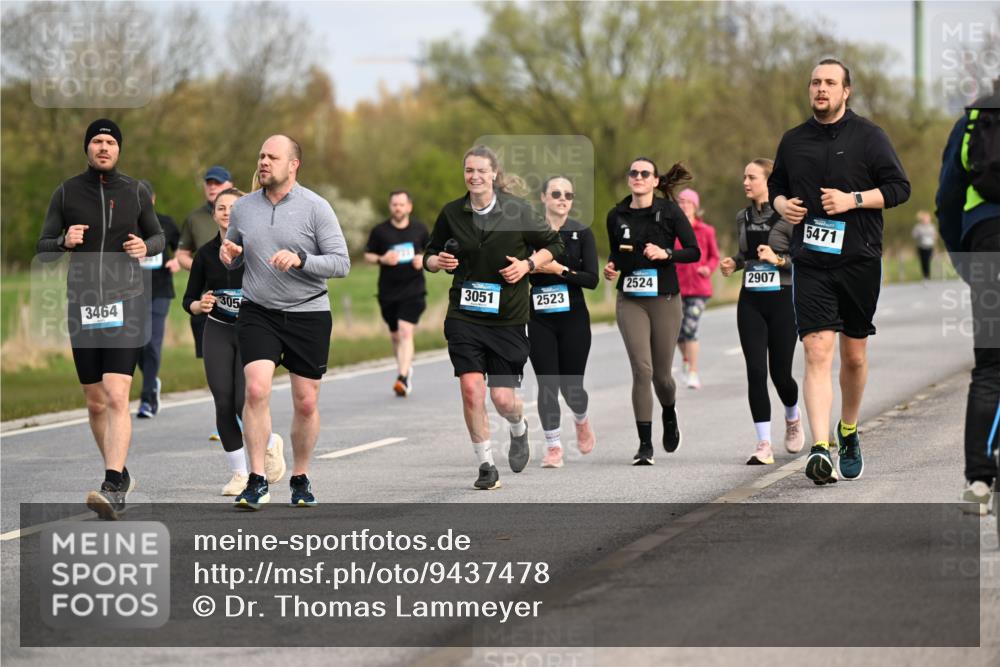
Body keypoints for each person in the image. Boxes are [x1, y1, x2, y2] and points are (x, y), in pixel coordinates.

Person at [768, 58, 910, 484]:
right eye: (815, 82)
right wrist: (781, 206)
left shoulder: (869, 137)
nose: (821, 89)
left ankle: (848, 431)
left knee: (853, 355)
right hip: (811, 260)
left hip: (859, 259)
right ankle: (820, 448)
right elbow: (777, 186)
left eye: (830, 82)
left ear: (846, 91)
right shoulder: (793, 141)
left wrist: (855, 200)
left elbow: (899, 188)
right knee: (815, 351)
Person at [36, 118, 165, 519]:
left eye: (110, 141)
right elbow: (42, 247)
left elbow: (158, 237)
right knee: (94, 403)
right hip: (84, 304)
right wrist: (63, 241)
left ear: (119, 149)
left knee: (116, 395)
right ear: (87, 148)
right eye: (97, 141)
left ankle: (111, 483)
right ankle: (121, 473)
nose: (104, 147)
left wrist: (146, 245)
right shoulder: (66, 192)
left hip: (126, 302)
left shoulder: (136, 192)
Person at [221, 135, 350, 509]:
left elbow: (341, 263)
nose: (263, 162)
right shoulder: (243, 208)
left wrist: (302, 259)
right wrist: (230, 256)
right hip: (259, 311)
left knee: (306, 402)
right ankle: (257, 477)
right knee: (256, 390)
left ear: (293, 165)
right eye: (261, 155)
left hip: (308, 312)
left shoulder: (316, 208)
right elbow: (234, 255)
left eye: (272, 157)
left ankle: (300, 476)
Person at [424, 145, 563, 490]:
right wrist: (437, 262)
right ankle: (485, 464)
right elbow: (429, 253)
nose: (474, 176)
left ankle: (518, 426)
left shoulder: (517, 210)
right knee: (472, 389)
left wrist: (528, 264)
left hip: (508, 318)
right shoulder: (452, 212)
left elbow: (554, 245)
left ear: (494, 175)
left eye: (481, 171)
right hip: (464, 315)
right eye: (469, 170)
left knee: (502, 399)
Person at [183, 187, 285, 495]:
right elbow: (189, 298)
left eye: (234, 206)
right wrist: (198, 306)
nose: (227, 211)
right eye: (221, 207)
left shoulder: (259, 248)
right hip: (217, 329)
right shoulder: (204, 255)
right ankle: (240, 473)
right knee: (223, 400)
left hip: (254, 331)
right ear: (213, 214)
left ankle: (268, 443)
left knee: (245, 401)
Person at [603, 158, 700, 465]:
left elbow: (693, 250)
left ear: (656, 181)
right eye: (633, 172)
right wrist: (611, 267)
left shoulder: (669, 212)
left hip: (665, 299)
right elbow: (617, 254)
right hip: (630, 299)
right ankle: (645, 444)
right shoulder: (616, 215)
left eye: (645, 173)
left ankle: (669, 413)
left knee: (662, 376)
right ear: (628, 178)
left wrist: (666, 252)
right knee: (641, 370)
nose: (639, 177)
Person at [936, 79, 1000, 515]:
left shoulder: (974, 118)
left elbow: (947, 197)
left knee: (991, 365)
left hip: (986, 242)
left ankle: (979, 482)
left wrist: (963, 259)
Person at [720, 159, 805, 465]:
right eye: (744, 176)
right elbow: (746, 253)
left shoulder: (790, 217)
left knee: (780, 374)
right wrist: (734, 262)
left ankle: (793, 417)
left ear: (768, 182)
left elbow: (805, 261)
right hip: (751, 300)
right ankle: (763, 444)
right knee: (755, 372)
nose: (745, 181)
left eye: (751, 177)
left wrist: (779, 260)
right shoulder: (742, 216)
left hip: (783, 300)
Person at [528, 176, 599, 468]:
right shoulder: (529, 233)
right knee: (547, 384)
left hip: (573, 318)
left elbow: (591, 279)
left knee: (572, 389)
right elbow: (515, 269)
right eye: (556, 193)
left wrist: (560, 270)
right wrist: (529, 266)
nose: (562, 199)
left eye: (568, 195)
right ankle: (553, 446)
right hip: (540, 317)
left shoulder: (581, 233)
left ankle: (581, 419)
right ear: (543, 197)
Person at [363, 190, 430, 396]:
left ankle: (402, 378)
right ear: (390, 206)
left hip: (414, 290)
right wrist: (382, 259)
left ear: (409, 207)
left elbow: (432, 251)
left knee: (405, 331)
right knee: (395, 336)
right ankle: (405, 366)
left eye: (402, 204)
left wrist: (423, 259)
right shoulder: (380, 232)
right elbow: (367, 255)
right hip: (388, 292)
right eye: (394, 204)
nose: (398, 208)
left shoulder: (420, 229)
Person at [136, 180, 180, 419]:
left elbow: (183, 248)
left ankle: (147, 398)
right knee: (138, 345)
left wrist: (176, 261)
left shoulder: (166, 223)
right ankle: (152, 380)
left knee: (152, 343)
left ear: (152, 200)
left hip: (160, 291)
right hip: (132, 292)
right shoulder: (126, 225)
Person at [674, 188, 720, 389]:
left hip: (699, 288)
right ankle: (686, 360)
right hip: (676, 287)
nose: (684, 206)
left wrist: (707, 268)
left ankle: (693, 372)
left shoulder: (706, 231)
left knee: (690, 328)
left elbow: (714, 256)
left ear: (695, 207)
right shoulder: (671, 231)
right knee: (676, 332)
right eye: (681, 202)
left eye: (688, 203)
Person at [912, 210, 937, 282]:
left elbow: (935, 236)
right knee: (923, 261)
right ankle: (924, 275)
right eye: (925, 218)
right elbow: (914, 235)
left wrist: (934, 240)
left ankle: (928, 275)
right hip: (921, 246)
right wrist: (919, 236)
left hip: (929, 246)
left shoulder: (932, 227)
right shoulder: (918, 227)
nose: (926, 220)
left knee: (928, 260)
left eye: (928, 218)